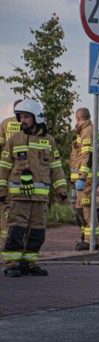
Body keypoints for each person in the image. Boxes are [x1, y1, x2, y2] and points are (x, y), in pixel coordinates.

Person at [0, 99, 68, 277]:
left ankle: (29, 263)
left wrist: (62, 189)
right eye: (20, 116)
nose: (22, 120)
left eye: (26, 117)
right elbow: (4, 167)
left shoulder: (49, 141)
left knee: (37, 233)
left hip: (39, 198)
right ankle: (11, 264)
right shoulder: (14, 140)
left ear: (36, 118)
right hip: (18, 196)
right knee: (16, 231)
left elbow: (56, 167)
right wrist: (2, 192)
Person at [69, 108, 99, 251]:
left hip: (86, 178)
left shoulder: (87, 131)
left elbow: (87, 157)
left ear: (77, 118)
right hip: (83, 177)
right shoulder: (88, 130)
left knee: (87, 209)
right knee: (80, 209)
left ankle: (91, 241)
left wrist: (81, 178)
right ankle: (87, 237)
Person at [0, 99, 23, 247]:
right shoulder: (33, 125)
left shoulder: (5, 124)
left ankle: (5, 241)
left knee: (5, 208)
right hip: (25, 172)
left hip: (7, 170)